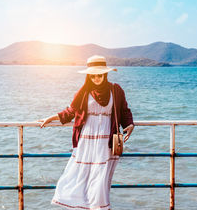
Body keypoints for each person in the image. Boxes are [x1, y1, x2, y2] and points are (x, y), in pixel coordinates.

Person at [39, 55, 134, 210]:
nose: (97, 78)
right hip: (87, 140)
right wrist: (51, 117)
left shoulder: (115, 90)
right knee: (77, 174)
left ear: (105, 74)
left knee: (100, 177)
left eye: (100, 75)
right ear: (89, 76)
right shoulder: (84, 92)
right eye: (93, 75)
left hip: (106, 141)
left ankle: (100, 207)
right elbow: (70, 112)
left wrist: (130, 124)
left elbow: (124, 110)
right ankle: (82, 205)